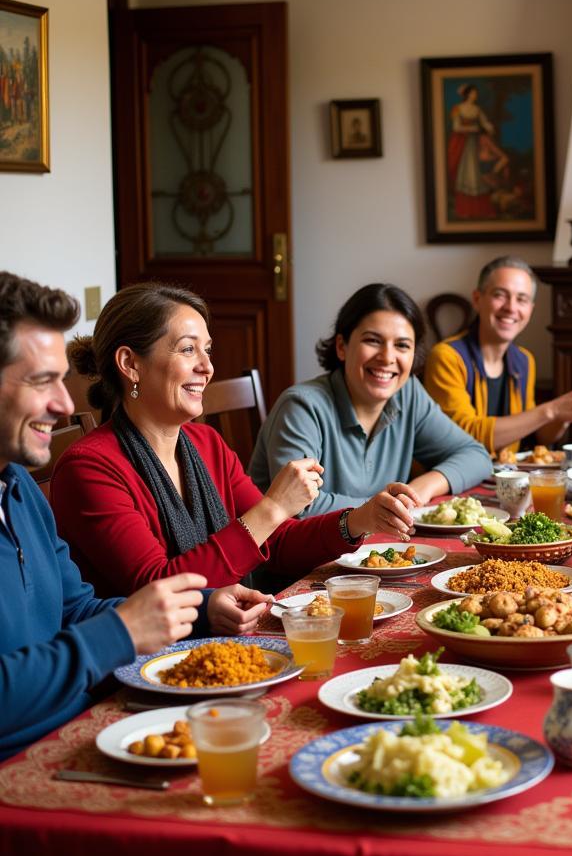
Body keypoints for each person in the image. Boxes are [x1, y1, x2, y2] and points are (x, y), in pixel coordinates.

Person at [0, 272, 265, 760]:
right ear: (131, 365)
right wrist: (120, 632)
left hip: (88, 724)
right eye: (42, 381)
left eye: (62, 379)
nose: (63, 406)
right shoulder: (87, 464)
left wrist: (201, 608)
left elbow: (74, 607)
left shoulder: (19, 490)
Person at [50, 283, 355, 598]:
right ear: (130, 364)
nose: (207, 367)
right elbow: (157, 589)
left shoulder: (207, 443)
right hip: (151, 646)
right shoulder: (88, 468)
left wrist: (358, 521)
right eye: (187, 349)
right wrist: (274, 506)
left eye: (206, 350)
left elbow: (275, 541)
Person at [249, 284, 491, 539]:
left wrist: (418, 489)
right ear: (342, 346)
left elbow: (476, 456)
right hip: (294, 566)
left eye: (402, 345)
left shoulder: (408, 393)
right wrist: (379, 510)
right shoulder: (301, 406)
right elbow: (299, 506)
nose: (388, 357)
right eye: (373, 340)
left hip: (369, 553)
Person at [423, 257, 572, 457]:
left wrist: (563, 416)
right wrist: (550, 410)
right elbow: (464, 436)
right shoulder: (447, 357)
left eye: (521, 299)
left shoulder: (524, 360)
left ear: (530, 310)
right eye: (500, 295)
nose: (511, 307)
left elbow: (537, 435)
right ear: (478, 299)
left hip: (504, 475)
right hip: (451, 477)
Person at [447, 84, 508, 220]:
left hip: (476, 144)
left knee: (478, 174)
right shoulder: (458, 109)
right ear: (467, 94)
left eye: (476, 93)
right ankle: (465, 209)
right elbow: (456, 127)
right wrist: (473, 128)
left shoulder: (477, 109)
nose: (475, 95)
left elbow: (484, 122)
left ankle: (482, 209)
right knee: (467, 173)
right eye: (473, 93)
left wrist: (489, 127)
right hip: (463, 144)